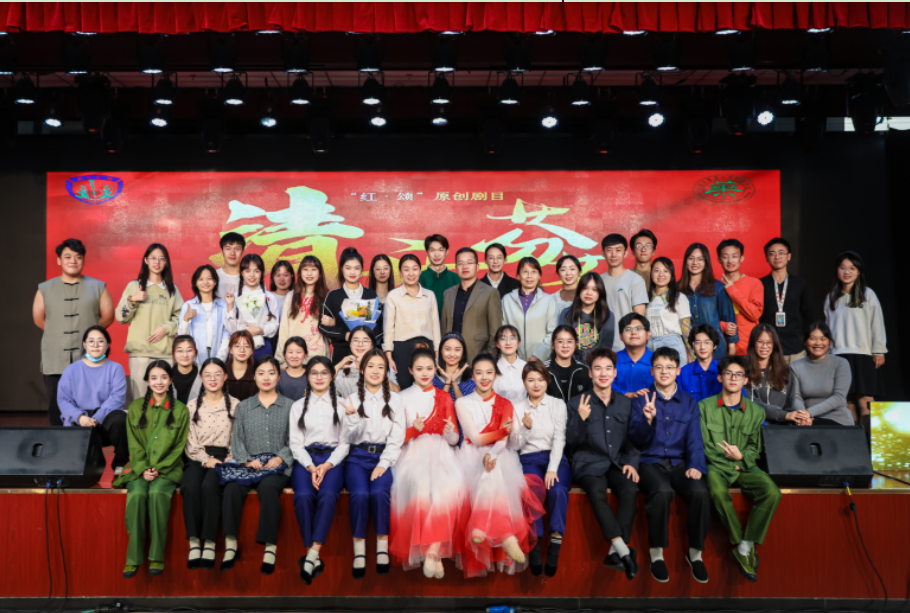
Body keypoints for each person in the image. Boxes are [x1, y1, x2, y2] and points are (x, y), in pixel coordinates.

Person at [455, 353, 544, 577]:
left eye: (489, 372)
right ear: (472, 376)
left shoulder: (506, 404)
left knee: (493, 468)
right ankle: (506, 535)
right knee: (491, 469)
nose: (484, 377)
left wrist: (497, 449)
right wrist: (501, 433)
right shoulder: (462, 402)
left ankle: (481, 525)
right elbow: (475, 439)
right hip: (470, 454)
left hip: (499, 453)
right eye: (479, 373)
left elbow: (505, 442)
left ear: (496, 376)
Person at [628, 347, 710, 584]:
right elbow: (635, 439)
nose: (664, 371)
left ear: (678, 371)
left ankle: (695, 554)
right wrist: (648, 420)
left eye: (670, 367)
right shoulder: (641, 399)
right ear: (651, 371)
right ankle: (656, 554)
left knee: (700, 492)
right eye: (659, 367)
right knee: (662, 491)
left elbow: (695, 438)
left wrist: (696, 465)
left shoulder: (688, 401)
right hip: (649, 462)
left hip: (679, 463)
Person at [700, 355, 781, 583]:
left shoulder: (756, 412)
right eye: (728, 373)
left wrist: (741, 458)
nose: (733, 378)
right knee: (717, 492)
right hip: (717, 467)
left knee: (772, 492)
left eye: (739, 374)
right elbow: (704, 446)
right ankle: (740, 542)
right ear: (720, 377)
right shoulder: (704, 407)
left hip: (745, 466)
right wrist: (730, 462)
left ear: (746, 380)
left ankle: (746, 544)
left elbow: (755, 448)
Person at [566, 348, 640, 580]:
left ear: (615, 373)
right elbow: (570, 442)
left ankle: (616, 552)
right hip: (588, 463)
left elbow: (634, 440)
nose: (603, 373)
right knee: (596, 491)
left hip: (616, 463)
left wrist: (632, 462)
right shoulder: (577, 402)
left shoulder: (626, 404)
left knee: (630, 488)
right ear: (590, 373)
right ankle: (623, 551)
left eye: (608, 368)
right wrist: (580, 418)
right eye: (598, 369)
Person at [389, 348, 464, 579]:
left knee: (450, 488)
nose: (425, 373)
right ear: (410, 370)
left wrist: (450, 432)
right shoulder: (401, 398)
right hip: (412, 453)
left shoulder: (444, 397)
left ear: (435, 370)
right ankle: (435, 554)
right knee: (422, 488)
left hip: (442, 453)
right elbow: (395, 439)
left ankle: (433, 550)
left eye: (430, 368)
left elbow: (454, 440)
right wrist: (413, 430)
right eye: (419, 369)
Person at [114, 361, 189, 579]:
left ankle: (157, 555)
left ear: (171, 380)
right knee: (137, 494)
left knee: (157, 493)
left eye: (164, 377)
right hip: (140, 466)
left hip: (168, 468)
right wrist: (144, 468)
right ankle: (133, 557)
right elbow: (133, 444)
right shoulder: (136, 407)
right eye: (154, 378)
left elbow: (179, 447)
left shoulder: (181, 409)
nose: (159, 382)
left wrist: (159, 468)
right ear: (147, 381)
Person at [220, 356, 294, 575]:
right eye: (261, 373)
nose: (266, 377)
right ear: (254, 377)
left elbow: (295, 439)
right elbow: (237, 439)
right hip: (250, 464)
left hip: (277, 466)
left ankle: (270, 548)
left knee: (269, 489)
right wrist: (245, 460)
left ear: (278, 376)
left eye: (271, 373)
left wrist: (281, 457)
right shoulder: (244, 407)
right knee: (231, 489)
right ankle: (230, 545)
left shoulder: (290, 406)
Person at [340, 349, 406, 579]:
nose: (376, 371)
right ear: (362, 370)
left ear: (386, 371)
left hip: (384, 456)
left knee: (379, 493)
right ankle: (359, 550)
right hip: (357, 457)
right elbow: (348, 438)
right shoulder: (352, 399)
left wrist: (383, 463)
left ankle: (381, 546)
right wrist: (352, 417)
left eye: (380, 367)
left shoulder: (396, 400)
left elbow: (397, 438)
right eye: (371, 366)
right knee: (359, 494)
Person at [34, 238, 114, 426]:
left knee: (89, 403)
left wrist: (89, 337)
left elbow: (107, 317)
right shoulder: (44, 289)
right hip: (55, 357)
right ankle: (59, 442)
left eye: (78, 257)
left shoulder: (98, 287)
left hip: (88, 357)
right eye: (67, 256)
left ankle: (87, 442)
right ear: (59, 260)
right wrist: (58, 332)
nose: (73, 261)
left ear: (83, 260)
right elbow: (39, 320)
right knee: (56, 405)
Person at [290, 356, 349, 585]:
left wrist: (327, 465)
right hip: (307, 459)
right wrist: (311, 466)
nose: (319, 377)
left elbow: (345, 443)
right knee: (303, 495)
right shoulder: (298, 406)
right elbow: (295, 443)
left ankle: (312, 554)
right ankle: (311, 555)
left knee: (328, 494)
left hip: (333, 459)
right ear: (307, 377)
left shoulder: (342, 404)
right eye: (314, 373)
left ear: (332, 376)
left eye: (324, 372)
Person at [181, 357, 238, 571]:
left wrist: (229, 458)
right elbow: (190, 441)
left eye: (217, 374)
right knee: (190, 486)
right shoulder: (192, 406)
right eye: (207, 375)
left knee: (209, 486)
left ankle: (210, 543)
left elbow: (238, 438)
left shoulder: (236, 405)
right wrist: (206, 459)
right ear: (201, 378)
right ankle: (194, 542)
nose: (212, 379)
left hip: (225, 458)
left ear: (225, 377)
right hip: (198, 456)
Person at [514, 361, 571, 578]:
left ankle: (555, 543)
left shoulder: (558, 404)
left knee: (557, 490)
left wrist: (552, 468)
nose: (536, 384)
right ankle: (534, 544)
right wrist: (526, 429)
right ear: (524, 383)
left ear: (547, 381)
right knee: (531, 490)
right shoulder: (517, 408)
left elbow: (559, 438)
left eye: (540, 379)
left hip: (554, 458)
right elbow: (515, 444)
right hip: (528, 459)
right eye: (531, 380)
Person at [824, 251, 887, 440]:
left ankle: (869, 444)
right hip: (839, 356)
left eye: (851, 268)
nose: (847, 272)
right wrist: (828, 354)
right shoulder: (832, 297)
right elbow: (828, 328)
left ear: (859, 271)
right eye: (842, 268)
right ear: (837, 270)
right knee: (847, 402)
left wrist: (878, 350)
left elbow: (877, 323)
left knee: (865, 400)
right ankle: (854, 445)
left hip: (864, 354)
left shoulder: (868, 294)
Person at [115, 243, 183, 400]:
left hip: (165, 355)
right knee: (140, 402)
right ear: (146, 260)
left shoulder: (172, 290)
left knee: (164, 401)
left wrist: (165, 328)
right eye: (153, 258)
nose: (157, 262)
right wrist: (132, 300)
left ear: (166, 262)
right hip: (139, 355)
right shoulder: (134, 286)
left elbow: (182, 319)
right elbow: (121, 317)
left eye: (161, 258)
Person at [57, 325, 128, 474]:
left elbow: (117, 399)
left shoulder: (116, 368)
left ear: (107, 345)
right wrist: (80, 417)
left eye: (101, 341)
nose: (96, 345)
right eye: (91, 341)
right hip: (79, 421)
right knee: (83, 469)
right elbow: (64, 401)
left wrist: (96, 419)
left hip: (103, 422)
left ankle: (120, 464)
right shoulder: (71, 370)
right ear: (84, 344)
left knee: (120, 417)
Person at [383, 254, 441, 389]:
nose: (411, 273)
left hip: (427, 347)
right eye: (406, 269)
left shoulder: (429, 295)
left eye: (415, 269)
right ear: (400, 272)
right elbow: (388, 328)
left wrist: (437, 356)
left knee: (426, 387)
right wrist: (389, 357)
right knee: (403, 387)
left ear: (420, 271)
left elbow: (435, 327)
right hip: (401, 349)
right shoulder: (393, 296)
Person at [320, 247, 383, 365]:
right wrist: (345, 335)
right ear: (341, 269)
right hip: (341, 352)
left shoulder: (370, 294)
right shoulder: (333, 296)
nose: (352, 272)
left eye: (356, 268)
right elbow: (322, 326)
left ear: (362, 270)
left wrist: (367, 339)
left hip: (367, 353)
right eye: (348, 268)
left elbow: (380, 325)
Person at [441, 248, 503, 363]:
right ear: (456, 267)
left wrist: (490, 359)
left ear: (477, 267)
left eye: (469, 262)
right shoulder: (448, 293)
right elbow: (444, 328)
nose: (465, 267)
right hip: (451, 360)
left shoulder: (490, 293)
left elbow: (495, 330)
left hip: (478, 358)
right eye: (461, 263)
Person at [788, 322, 855, 426]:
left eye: (823, 339)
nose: (818, 343)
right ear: (805, 340)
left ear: (830, 341)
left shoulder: (841, 363)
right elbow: (796, 397)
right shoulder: (796, 366)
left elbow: (838, 397)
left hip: (836, 418)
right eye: (813, 338)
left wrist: (809, 413)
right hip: (806, 419)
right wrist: (803, 417)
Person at [759, 238, 813, 364]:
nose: (777, 257)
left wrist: (805, 341)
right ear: (767, 258)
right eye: (772, 253)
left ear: (789, 256)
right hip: (768, 350)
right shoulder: (759, 284)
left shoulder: (800, 284)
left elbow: (808, 314)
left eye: (781, 252)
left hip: (795, 349)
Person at [679, 243, 738, 358]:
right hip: (690, 349)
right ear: (686, 261)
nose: (695, 262)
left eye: (700, 259)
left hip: (716, 349)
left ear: (706, 262)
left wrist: (731, 349)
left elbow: (729, 318)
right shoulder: (678, 289)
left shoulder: (717, 287)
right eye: (691, 258)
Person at [276, 255, 330, 366]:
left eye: (313, 269)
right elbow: (283, 329)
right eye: (305, 269)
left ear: (320, 273)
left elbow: (332, 330)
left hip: (319, 356)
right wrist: (281, 360)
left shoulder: (327, 296)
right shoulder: (291, 296)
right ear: (300, 273)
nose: (309, 273)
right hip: (294, 357)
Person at [225, 253, 280, 362]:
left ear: (262, 273)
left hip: (263, 347)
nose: (252, 275)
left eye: (256, 271)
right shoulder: (234, 297)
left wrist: (259, 330)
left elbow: (275, 325)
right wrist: (230, 305)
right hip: (239, 347)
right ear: (242, 273)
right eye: (247, 271)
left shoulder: (270, 297)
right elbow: (230, 329)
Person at [501, 257, 558, 362]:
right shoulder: (507, 300)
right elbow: (502, 332)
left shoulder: (549, 301)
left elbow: (552, 333)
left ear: (539, 276)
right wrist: (512, 357)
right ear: (518, 275)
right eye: (525, 271)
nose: (529, 276)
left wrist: (537, 356)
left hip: (541, 361)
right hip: (512, 360)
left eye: (533, 272)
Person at [599, 233, 649, 352]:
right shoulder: (598, 281)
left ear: (625, 253)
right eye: (609, 250)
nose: (613, 254)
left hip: (626, 346)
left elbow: (639, 318)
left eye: (618, 250)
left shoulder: (635, 280)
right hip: (601, 346)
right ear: (603, 253)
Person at [717, 239, 764, 357]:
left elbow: (755, 314)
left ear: (741, 258)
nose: (730, 261)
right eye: (725, 257)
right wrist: (723, 326)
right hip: (723, 350)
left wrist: (732, 290)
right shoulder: (715, 287)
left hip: (750, 349)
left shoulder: (754, 283)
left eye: (734, 256)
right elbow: (710, 318)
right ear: (719, 260)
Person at [178, 264, 230, 367]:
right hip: (194, 359)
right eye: (201, 279)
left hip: (218, 355)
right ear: (196, 283)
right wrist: (186, 319)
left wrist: (220, 358)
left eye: (209, 278)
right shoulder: (188, 306)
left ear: (215, 282)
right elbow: (182, 337)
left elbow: (226, 334)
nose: (205, 282)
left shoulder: (223, 306)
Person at [559, 272, 615, 361]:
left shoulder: (607, 316)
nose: (589, 293)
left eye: (594, 289)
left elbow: (606, 348)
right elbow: (563, 345)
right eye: (585, 288)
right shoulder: (566, 314)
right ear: (579, 290)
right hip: (571, 365)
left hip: (596, 365)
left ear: (600, 292)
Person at [745, 324, 795, 424]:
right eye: (760, 341)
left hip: (781, 427)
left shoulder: (786, 371)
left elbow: (791, 403)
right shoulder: (744, 371)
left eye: (769, 342)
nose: (764, 346)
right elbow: (750, 403)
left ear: (775, 344)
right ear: (753, 343)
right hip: (754, 426)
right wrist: (782, 415)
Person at [646, 257, 692, 364]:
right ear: (651, 273)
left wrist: (692, 353)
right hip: (650, 345)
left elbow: (686, 328)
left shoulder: (679, 297)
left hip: (673, 344)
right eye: (657, 270)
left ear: (671, 275)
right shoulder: (645, 298)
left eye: (666, 271)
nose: (661, 274)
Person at [336, 326, 401, 398]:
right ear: (350, 344)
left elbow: (397, 392)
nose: (360, 344)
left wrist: (378, 373)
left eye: (365, 341)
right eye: (356, 340)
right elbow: (329, 394)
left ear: (372, 345)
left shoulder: (383, 366)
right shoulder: (344, 371)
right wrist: (337, 367)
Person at [544, 326, 592, 403]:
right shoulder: (543, 370)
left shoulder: (584, 370)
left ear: (576, 344)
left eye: (569, 341)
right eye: (560, 341)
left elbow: (590, 400)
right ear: (552, 344)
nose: (565, 345)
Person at [679, 324, 723, 403]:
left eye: (707, 342)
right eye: (698, 342)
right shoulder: (683, 373)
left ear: (715, 345)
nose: (702, 347)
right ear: (692, 346)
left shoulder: (725, 370)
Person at [419, 234, 460, 316]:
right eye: (432, 250)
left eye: (441, 250)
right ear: (427, 253)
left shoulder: (456, 278)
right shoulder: (419, 278)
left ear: (446, 252)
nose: (436, 254)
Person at [615, 313, 654, 398]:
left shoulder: (657, 360)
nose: (633, 332)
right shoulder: (612, 360)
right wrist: (627, 395)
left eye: (638, 328)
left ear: (648, 334)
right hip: (617, 404)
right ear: (621, 336)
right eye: (628, 329)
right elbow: (606, 386)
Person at [433, 332, 475, 402]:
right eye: (447, 349)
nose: (452, 354)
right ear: (441, 351)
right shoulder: (432, 378)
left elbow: (468, 407)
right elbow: (436, 406)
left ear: (463, 352)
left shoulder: (472, 379)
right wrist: (448, 382)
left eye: (457, 350)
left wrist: (454, 382)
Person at [492, 325, 527, 404]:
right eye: (503, 338)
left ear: (518, 343)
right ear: (497, 344)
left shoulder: (526, 367)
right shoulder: (491, 368)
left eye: (512, 338)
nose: (508, 342)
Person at [268, 260, 296, 355]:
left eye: (286, 275)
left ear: (292, 276)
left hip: (292, 340)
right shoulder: (267, 297)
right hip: (271, 340)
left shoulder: (297, 298)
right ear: (273, 277)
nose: (282, 279)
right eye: (278, 275)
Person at [224, 331, 258, 401]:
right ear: (230, 350)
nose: (242, 350)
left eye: (246, 346)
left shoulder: (258, 373)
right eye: (237, 346)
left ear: (252, 351)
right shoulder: (222, 372)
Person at [171, 335, 202, 405]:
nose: (185, 355)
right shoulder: (165, 373)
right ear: (173, 353)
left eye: (189, 350)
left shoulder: (204, 373)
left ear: (196, 352)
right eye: (180, 351)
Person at [277, 337, 309, 402]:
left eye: (298, 352)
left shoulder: (311, 377)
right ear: (285, 354)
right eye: (290, 352)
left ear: (305, 355)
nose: (294, 356)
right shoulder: (278, 378)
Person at [215, 232, 245, 300]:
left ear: (242, 252)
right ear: (222, 251)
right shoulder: (213, 276)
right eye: (228, 248)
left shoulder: (251, 278)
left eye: (237, 249)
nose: (232, 253)